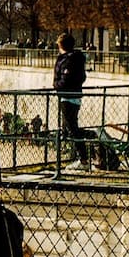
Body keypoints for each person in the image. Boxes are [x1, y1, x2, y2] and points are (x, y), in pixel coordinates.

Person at [53, 33, 90, 169]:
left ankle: (83, 159)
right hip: (73, 95)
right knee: (70, 127)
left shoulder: (68, 60)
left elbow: (65, 79)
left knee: (72, 128)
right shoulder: (77, 58)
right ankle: (81, 156)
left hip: (67, 96)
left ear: (61, 45)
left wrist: (56, 86)